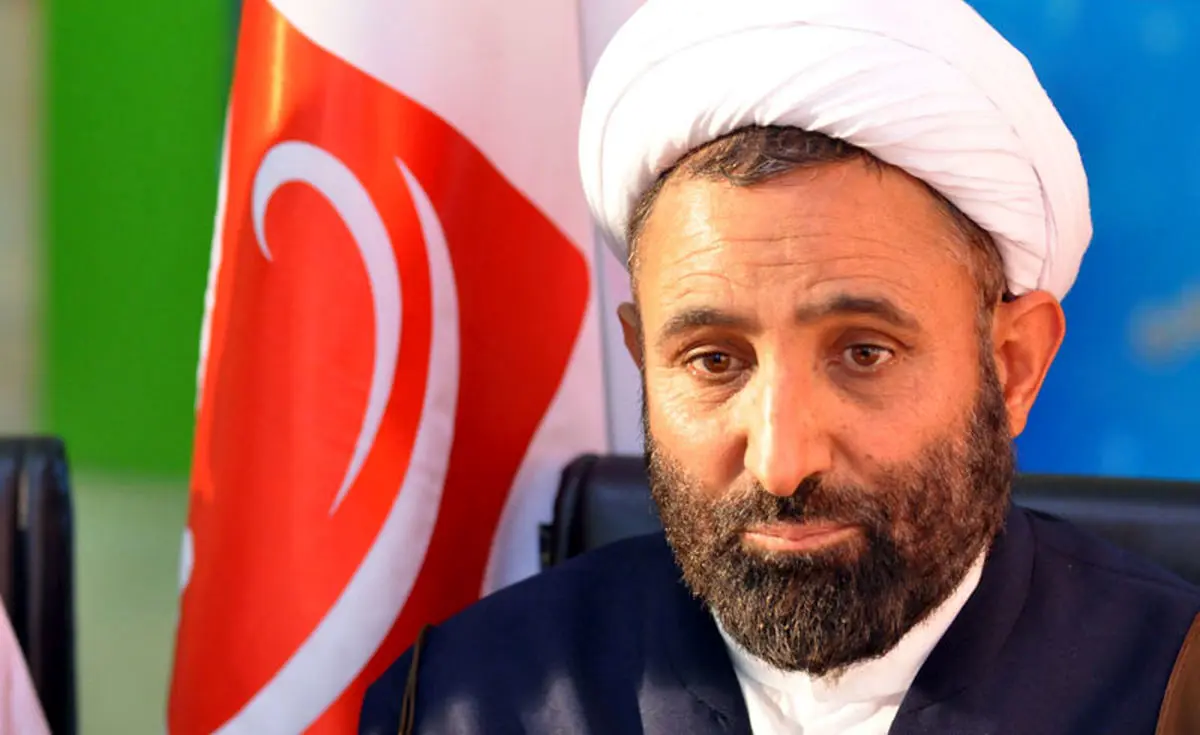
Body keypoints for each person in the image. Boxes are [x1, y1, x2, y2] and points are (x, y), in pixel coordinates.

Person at [360, 0, 1200, 732]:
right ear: (644, 363)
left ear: (1013, 365)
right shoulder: (469, 700)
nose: (781, 461)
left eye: (864, 353)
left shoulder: (1174, 691)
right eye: (714, 360)